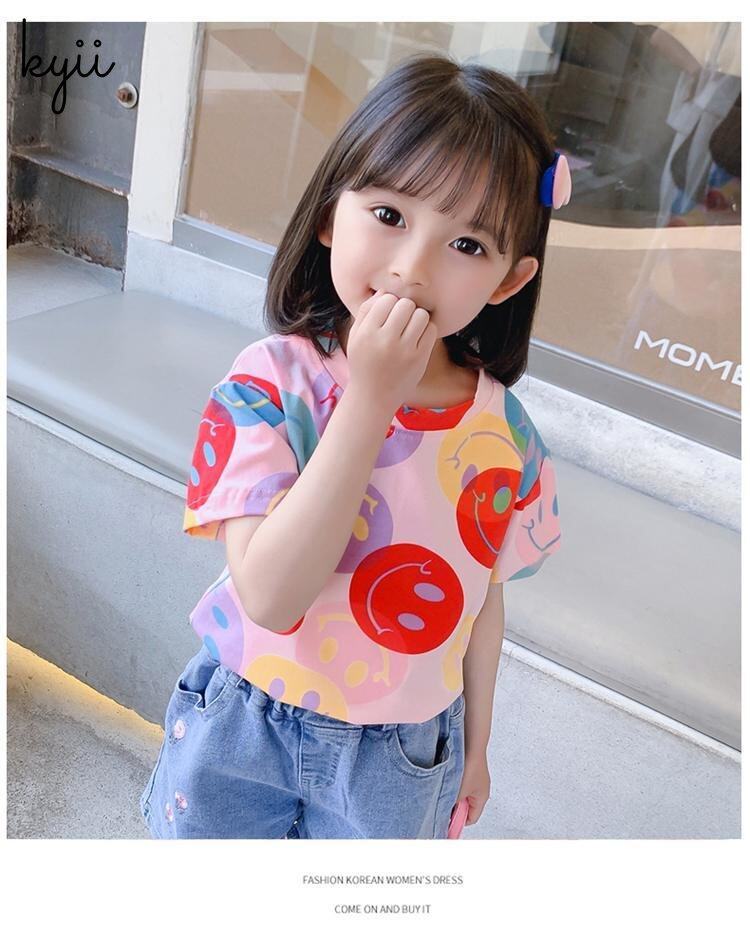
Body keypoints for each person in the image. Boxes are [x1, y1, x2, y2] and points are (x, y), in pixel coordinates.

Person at [139, 51, 566, 840]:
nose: (412, 268)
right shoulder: (271, 383)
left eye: (468, 245)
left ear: (509, 281)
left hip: (401, 754)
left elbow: (481, 602)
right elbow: (271, 596)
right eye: (391, 216)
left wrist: (477, 747)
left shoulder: (506, 435)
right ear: (332, 215)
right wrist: (371, 399)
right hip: (245, 719)